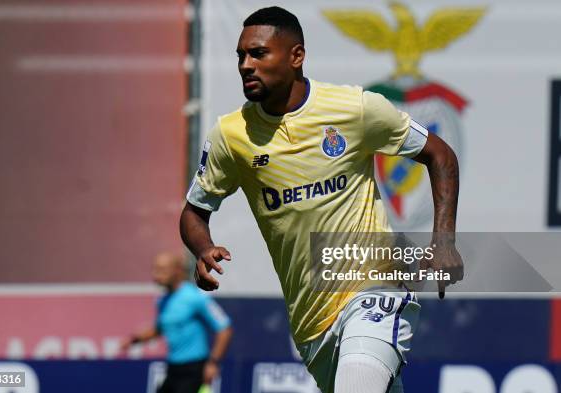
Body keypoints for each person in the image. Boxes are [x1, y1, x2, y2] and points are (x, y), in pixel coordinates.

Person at [180, 6, 462, 393]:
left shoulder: (355, 109)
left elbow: (440, 154)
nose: (246, 65)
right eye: (240, 56)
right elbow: (195, 211)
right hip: (311, 324)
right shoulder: (232, 135)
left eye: (258, 53)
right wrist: (203, 247)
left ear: (296, 56)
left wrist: (443, 240)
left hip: (374, 287)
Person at [121, 252, 233, 393]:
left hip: (194, 369)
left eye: (162, 270)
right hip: (173, 369)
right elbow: (159, 330)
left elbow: (224, 329)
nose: (156, 274)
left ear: (178, 270)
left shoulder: (194, 297)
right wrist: (133, 340)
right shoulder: (163, 301)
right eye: (154, 269)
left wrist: (213, 363)